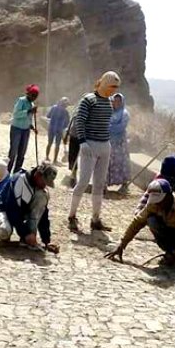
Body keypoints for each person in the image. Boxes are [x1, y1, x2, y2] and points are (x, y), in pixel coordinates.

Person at [105, 179, 175, 281]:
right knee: (151, 220)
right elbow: (137, 222)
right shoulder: (153, 204)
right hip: (171, 237)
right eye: (155, 201)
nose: (158, 204)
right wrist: (122, 245)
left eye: (160, 200)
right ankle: (169, 251)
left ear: (169, 195)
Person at [67, 71, 121, 233]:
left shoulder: (109, 102)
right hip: (89, 145)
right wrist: (82, 142)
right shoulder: (88, 100)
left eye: (116, 87)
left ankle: (95, 219)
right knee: (83, 182)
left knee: (99, 184)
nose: (114, 90)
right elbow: (80, 121)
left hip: (105, 145)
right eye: (112, 86)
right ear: (104, 84)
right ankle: (71, 216)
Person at [0, 163, 60, 253]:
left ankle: (28, 239)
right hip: (4, 209)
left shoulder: (40, 189)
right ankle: (25, 237)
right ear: (38, 175)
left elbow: (43, 215)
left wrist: (47, 241)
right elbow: (12, 211)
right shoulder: (19, 181)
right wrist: (26, 234)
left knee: (42, 196)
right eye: (44, 181)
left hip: (20, 211)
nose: (45, 185)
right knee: (4, 231)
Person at [8, 84, 39, 173]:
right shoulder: (21, 101)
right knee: (13, 152)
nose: (34, 98)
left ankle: (16, 173)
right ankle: (7, 173)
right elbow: (16, 114)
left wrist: (32, 127)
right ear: (28, 93)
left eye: (36, 96)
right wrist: (29, 111)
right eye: (33, 95)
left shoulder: (32, 104)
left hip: (26, 130)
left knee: (22, 153)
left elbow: (28, 119)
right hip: (16, 129)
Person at [107, 93, 132, 194]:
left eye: (118, 101)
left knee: (121, 162)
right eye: (114, 101)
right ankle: (105, 184)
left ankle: (124, 185)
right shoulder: (109, 112)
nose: (116, 103)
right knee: (107, 163)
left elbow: (120, 127)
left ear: (122, 102)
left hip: (120, 143)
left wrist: (108, 128)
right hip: (109, 141)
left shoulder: (124, 113)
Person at [45, 97, 71, 164]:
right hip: (59, 129)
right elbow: (67, 122)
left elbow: (48, 116)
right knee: (57, 145)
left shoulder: (54, 108)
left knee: (50, 143)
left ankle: (47, 157)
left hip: (51, 128)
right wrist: (64, 127)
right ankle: (55, 160)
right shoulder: (65, 111)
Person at [63, 112, 80, 186]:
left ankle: (75, 176)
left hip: (81, 139)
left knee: (77, 157)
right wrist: (66, 136)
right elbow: (69, 126)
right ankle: (73, 174)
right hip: (73, 138)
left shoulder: (87, 117)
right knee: (72, 156)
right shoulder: (75, 116)